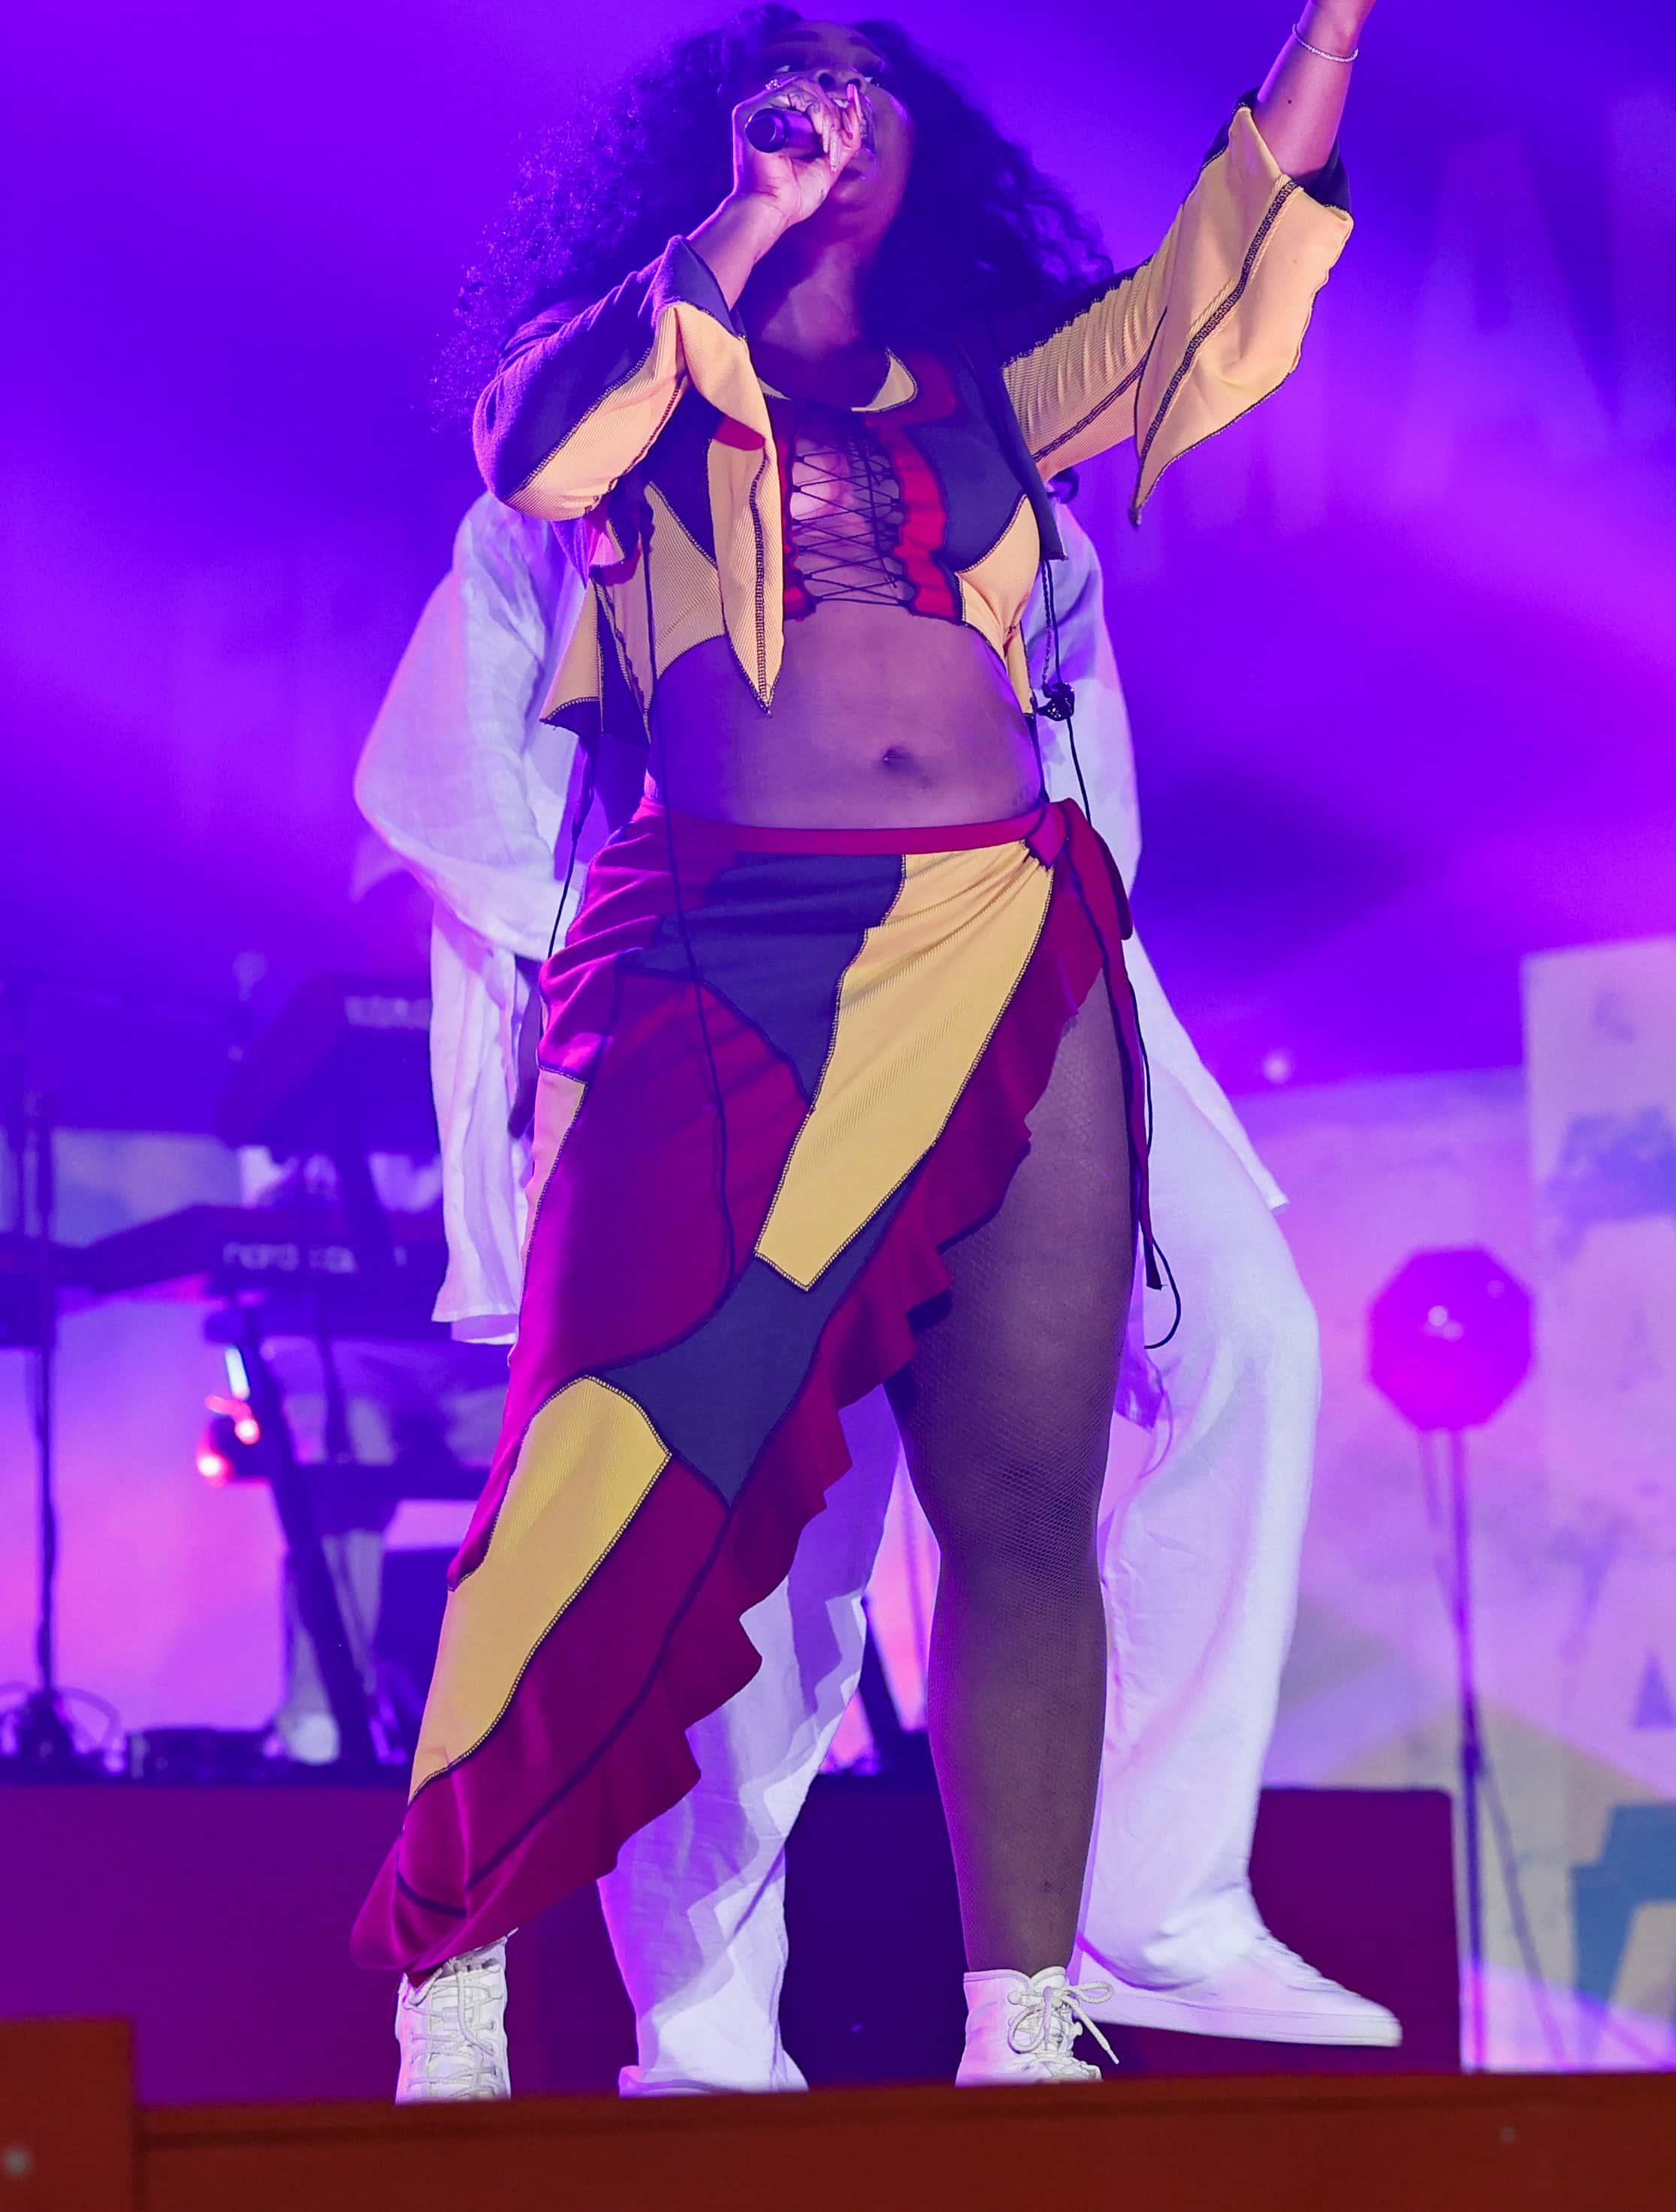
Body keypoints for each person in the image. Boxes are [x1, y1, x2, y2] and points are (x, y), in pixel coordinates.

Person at [354, 0, 1502, 2087]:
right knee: (615, 1466)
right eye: (792, 87)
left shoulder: (982, 398)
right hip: (720, 951)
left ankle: (1025, 2005)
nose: (836, 112)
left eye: (868, 88)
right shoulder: (636, 373)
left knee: (1021, 1496)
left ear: (924, 150)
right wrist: (739, 222)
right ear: (720, 141)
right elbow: (536, 453)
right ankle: (454, 1938)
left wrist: (1342, 3)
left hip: (1002, 928)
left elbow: (1209, 291)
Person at [356, 488, 1400, 2097]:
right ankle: (704, 2041)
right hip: (722, 969)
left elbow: (1086, 767)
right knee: (752, 1537)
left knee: (1246, 1336)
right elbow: (448, 780)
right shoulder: (592, 471)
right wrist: (578, 983)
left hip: (1022, 946)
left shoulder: (1011, 478)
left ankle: (1154, 1902)